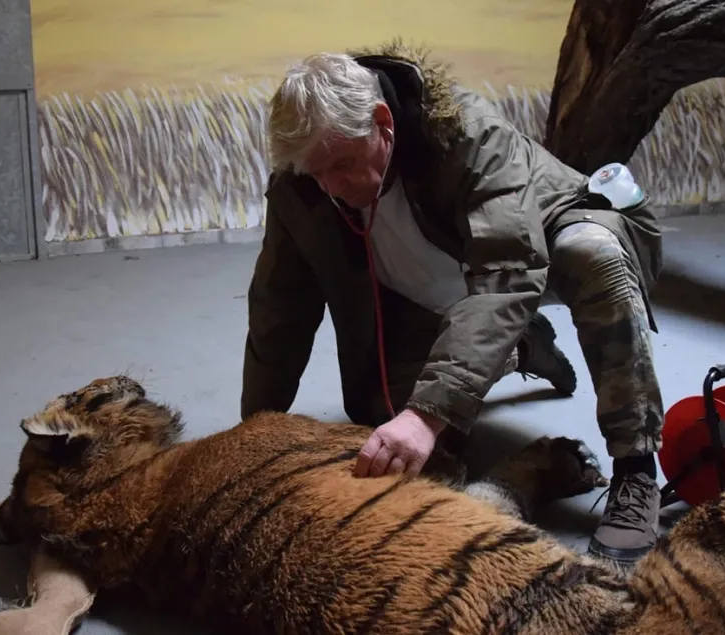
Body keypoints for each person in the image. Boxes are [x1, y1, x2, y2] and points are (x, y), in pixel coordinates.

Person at [240, 42, 666, 564]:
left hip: (534, 253)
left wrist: (429, 412)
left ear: (382, 123)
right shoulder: (303, 181)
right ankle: (523, 347)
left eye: (343, 165)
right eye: (315, 173)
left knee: (592, 255)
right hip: (438, 284)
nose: (331, 188)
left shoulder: (466, 133)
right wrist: (253, 435)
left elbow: (506, 274)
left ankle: (636, 469)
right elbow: (277, 309)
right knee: (380, 420)